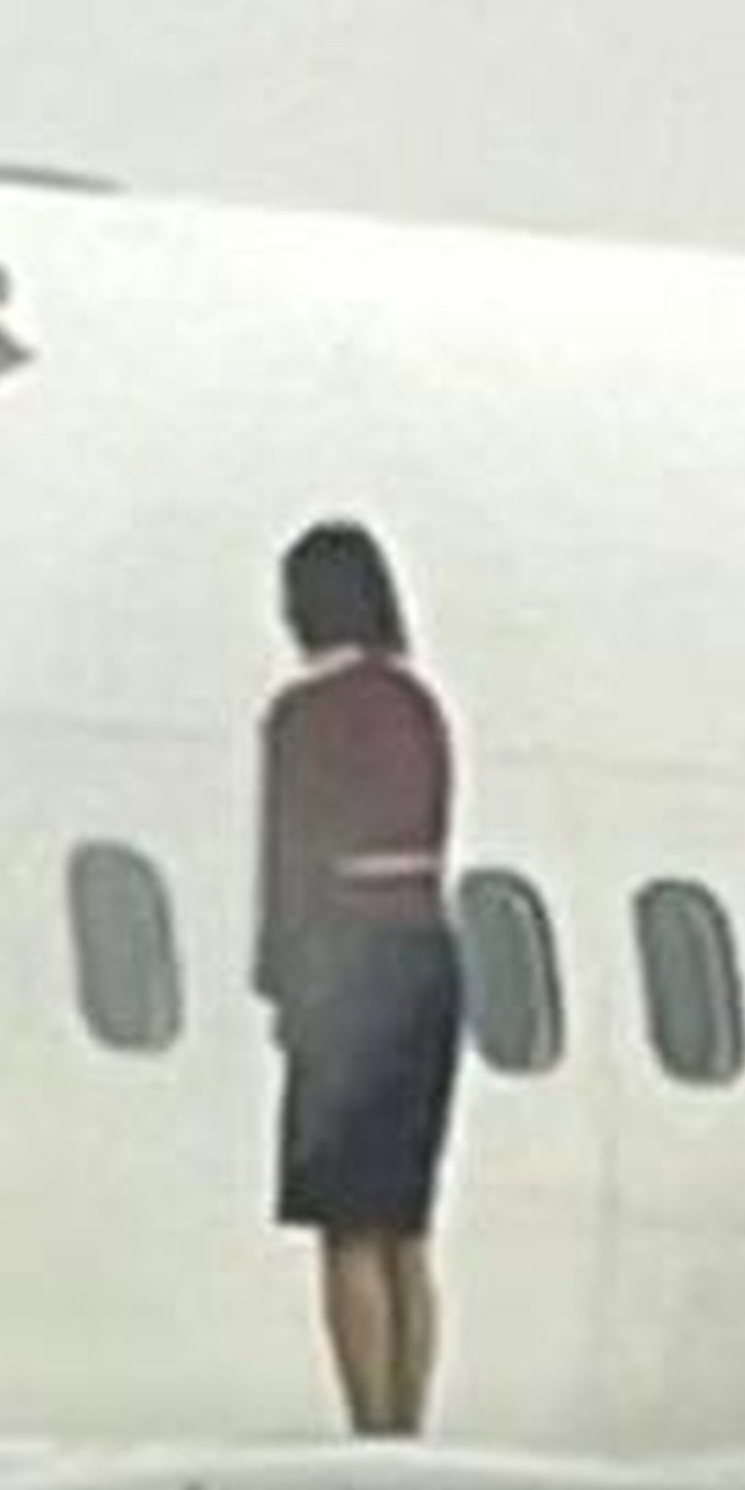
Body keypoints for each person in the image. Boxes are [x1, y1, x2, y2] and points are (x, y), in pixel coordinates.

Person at [254, 520, 464, 1437]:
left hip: (346, 960)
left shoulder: (303, 716)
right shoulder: (416, 703)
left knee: (346, 1228)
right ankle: (408, 1419)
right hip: (426, 957)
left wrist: (283, 985)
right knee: (406, 1229)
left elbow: (289, 858)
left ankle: (367, 1423)